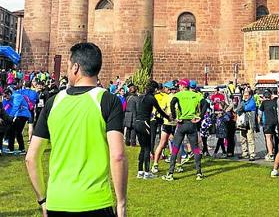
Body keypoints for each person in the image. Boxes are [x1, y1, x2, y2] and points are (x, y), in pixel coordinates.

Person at [26, 42, 128, 217]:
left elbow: (31, 158)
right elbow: (118, 156)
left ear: (75, 68)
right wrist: (121, 203)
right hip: (95, 202)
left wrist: (43, 200)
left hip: (57, 202)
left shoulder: (53, 102)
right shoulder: (108, 100)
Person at [162, 79, 203, 181]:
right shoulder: (195, 94)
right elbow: (205, 103)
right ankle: (199, 173)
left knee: (175, 148)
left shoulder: (179, 95)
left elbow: (172, 103)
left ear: (182, 86)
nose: (178, 87)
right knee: (195, 149)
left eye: (179, 85)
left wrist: (175, 117)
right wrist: (200, 116)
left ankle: (170, 173)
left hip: (181, 124)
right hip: (192, 124)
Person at [133, 80, 170, 179]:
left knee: (142, 147)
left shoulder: (142, 97)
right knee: (147, 148)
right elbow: (160, 111)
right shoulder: (151, 98)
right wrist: (168, 117)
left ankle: (140, 171)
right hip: (144, 123)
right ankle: (147, 172)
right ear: (155, 89)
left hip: (137, 122)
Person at [3, 88, 31, 155]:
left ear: (9, 94)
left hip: (23, 115)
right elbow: (6, 107)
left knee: (17, 132)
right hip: (19, 115)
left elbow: (16, 107)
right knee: (13, 131)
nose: (5, 98)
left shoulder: (17, 96)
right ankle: (11, 148)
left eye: (5, 96)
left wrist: (10, 116)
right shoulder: (10, 98)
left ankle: (22, 149)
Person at [237, 89, 257, 161]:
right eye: (244, 95)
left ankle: (252, 154)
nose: (245, 97)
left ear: (250, 95)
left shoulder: (252, 102)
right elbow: (238, 109)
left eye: (247, 95)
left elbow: (245, 108)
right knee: (242, 138)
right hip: (242, 123)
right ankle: (244, 153)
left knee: (250, 139)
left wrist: (241, 106)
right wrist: (241, 106)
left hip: (250, 123)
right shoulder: (243, 102)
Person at [259, 89, 278, 162]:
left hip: (268, 122)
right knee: (276, 139)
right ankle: (278, 153)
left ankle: (270, 154)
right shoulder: (274, 102)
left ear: (264, 97)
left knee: (268, 138)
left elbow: (260, 113)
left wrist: (259, 121)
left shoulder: (264, 103)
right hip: (276, 122)